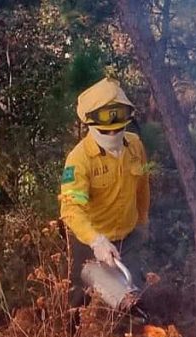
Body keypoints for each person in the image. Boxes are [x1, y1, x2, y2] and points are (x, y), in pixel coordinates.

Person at [59, 77, 150, 311]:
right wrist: (96, 240)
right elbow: (70, 208)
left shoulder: (135, 146)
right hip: (88, 242)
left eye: (119, 128)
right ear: (90, 123)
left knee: (131, 300)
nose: (114, 134)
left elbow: (142, 185)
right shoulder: (79, 160)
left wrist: (142, 222)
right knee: (77, 302)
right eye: (107, 130)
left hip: (127, 239)